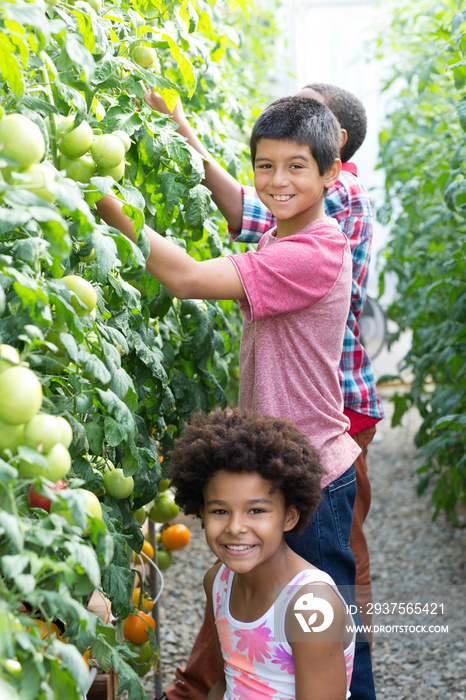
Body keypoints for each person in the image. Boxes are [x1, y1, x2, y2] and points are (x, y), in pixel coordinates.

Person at [96, 96, 375, 698]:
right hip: (281, 469)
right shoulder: (287, 230)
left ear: (333, 173)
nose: (277, 181)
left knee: (326, 638)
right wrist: (181, 133)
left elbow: (188, 278)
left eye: (296, 167)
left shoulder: (312, 252)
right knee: (281, 631)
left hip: (312, 481)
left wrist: (107, 207)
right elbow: (240, 204)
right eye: (264, 165)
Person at [167, 407, 356, 700]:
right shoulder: (218, 583)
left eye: (256, 510)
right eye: (220, 511)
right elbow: (224, 685)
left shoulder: (311, 606)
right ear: (202, 512)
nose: (236, 527)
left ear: (290, 517)